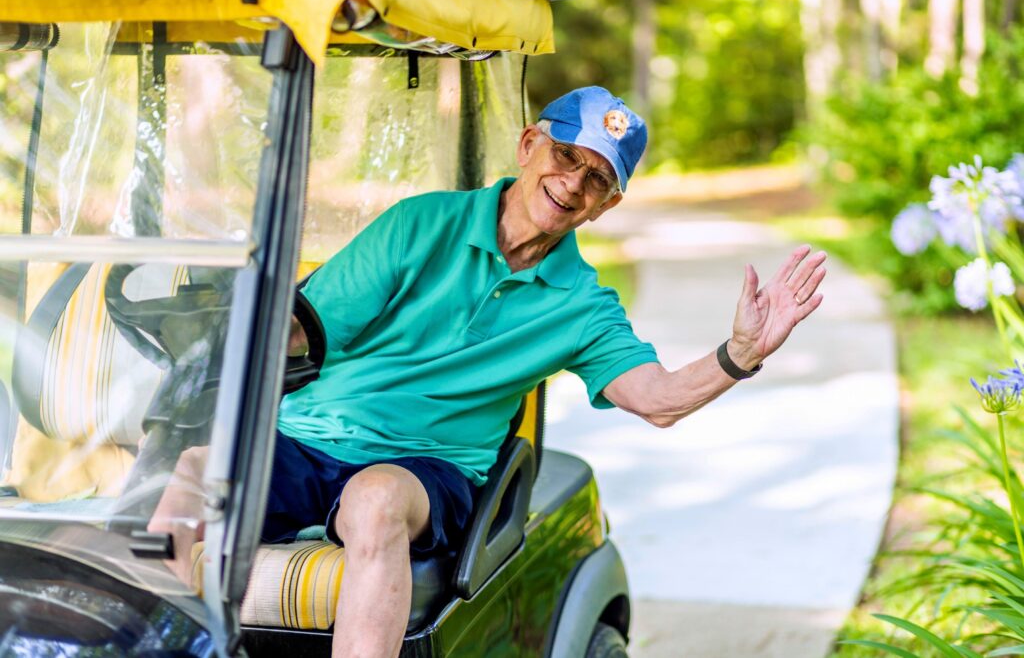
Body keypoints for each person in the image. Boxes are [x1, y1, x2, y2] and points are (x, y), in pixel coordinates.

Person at [154, 86, 826, 658]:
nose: (573, 183)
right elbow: (307, 331)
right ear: (530, 144)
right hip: (306, 438)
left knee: (374, 500)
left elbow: (659, 399)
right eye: (567, 156)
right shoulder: (420, 224)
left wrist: (740, 352)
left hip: (422, 469)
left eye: (598, 179)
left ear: (606, 206)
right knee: (191, 472)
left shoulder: (581, 306)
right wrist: (225, 307)